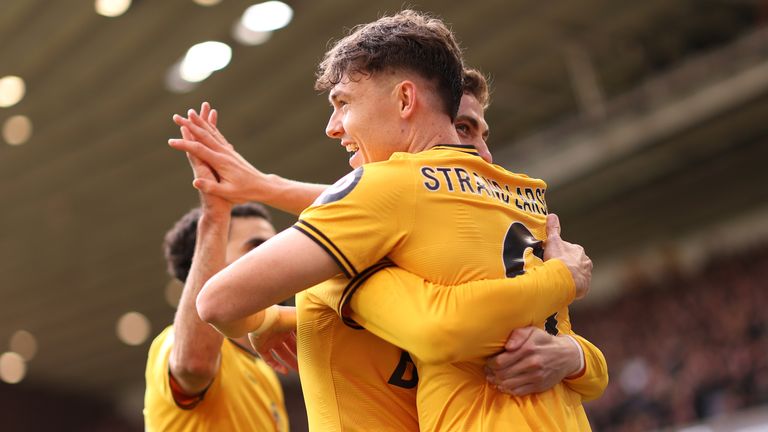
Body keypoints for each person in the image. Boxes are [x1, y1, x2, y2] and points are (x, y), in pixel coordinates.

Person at [172, 12, 602, 429]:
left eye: (344, 104)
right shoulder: (526, 198)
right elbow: (577, 358)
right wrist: (574, 344)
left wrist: (268, 318)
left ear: (404, 99)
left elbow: (218, 301)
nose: (333, 127)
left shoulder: (377, 204)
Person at [143, 135, 290, 431]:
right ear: (207, 262)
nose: (276, 255)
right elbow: (194, 365)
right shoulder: (171, 344)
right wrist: (215, 218)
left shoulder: (266, 372)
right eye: (255, 245)